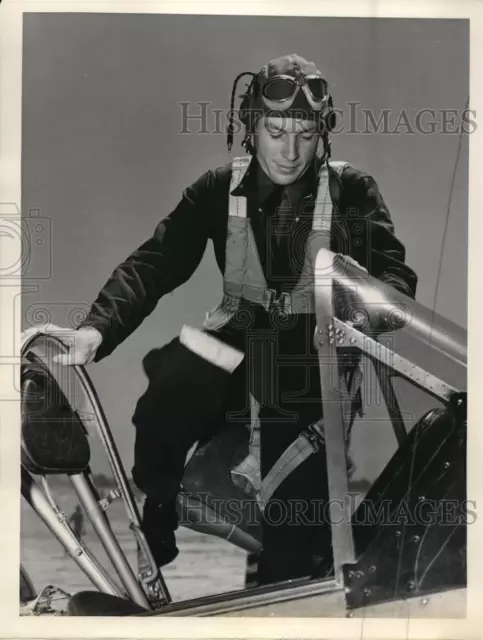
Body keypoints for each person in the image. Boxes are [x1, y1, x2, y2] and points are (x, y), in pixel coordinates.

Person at [22, 54, 417, 585]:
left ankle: (281, 586)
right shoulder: (215, 189)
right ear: (251, 128)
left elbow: (395, 279)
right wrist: (97, 328)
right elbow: (155, 262)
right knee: (168, 389)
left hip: (307, 365)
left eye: (304, 133)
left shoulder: (352, 192)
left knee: (290, 537)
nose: (290, 150)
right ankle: (159, 517)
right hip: (231, 347)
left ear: (323, 132)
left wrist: (369, 314)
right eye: (276, 131)